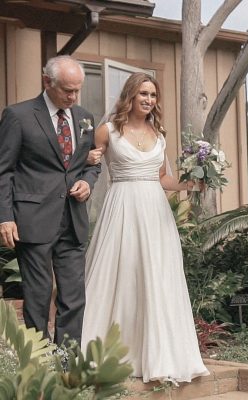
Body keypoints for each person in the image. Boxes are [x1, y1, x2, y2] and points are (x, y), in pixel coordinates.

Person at [81, 72, 209, 384]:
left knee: (157, 276)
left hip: (155, 211)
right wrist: (87, 159)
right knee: (122, 275)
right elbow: (87, 165)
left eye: (153, 95)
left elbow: (162, 178)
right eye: (143, 94)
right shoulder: (108, 130)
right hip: (122, 207)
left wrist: (189, 183)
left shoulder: (159, 133)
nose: (149, 100)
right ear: (130, 96)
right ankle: (109, 354)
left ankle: (161, 354)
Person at [0, 55, 100, 345]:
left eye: (77, 90)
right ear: (47, 82)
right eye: (67, 90)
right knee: (38, 297)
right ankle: (38, 367)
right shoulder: (18, 116)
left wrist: (87, 182)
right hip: (33, 221)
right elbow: (4, 170)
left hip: (73, 220)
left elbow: (91, 163)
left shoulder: (84, 118)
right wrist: (5, 216)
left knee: (74, 297)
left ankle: (67, 370)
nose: (73, 96)